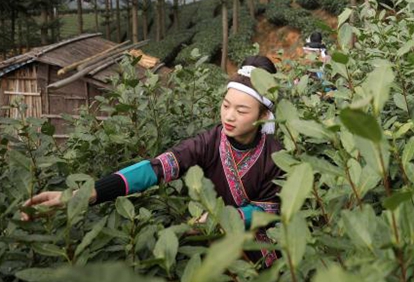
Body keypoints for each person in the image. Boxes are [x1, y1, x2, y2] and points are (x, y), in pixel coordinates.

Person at [21, 56, 284, 267]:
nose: (229, 116)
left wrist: (222, 217)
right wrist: (82, 195)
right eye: (226, 105)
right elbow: (155, 168)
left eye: (241, 110)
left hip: (258, 254)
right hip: (214, 245)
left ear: (263, 116)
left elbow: (269, 210)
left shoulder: (275, 155)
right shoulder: (208, 143)